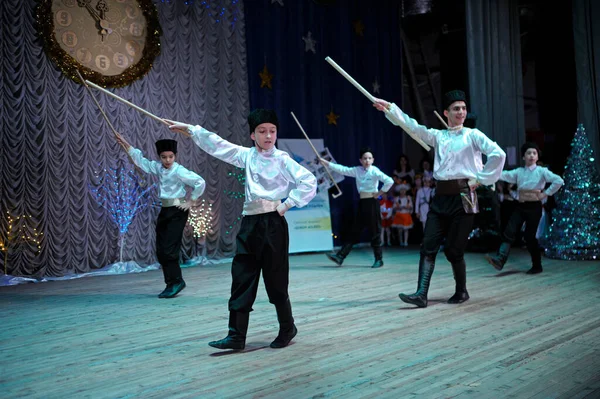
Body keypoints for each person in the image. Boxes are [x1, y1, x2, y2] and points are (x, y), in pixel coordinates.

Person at [166, 109, 317, 350]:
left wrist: (287, 203)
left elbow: (309, 181)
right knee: (242, 276)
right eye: (262, 131)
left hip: (273, 224)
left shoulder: (283, 159)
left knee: (276, 278)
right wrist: (191, 130)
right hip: (249, 223)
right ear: (252, 135)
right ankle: (236, 335)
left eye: (272, 131)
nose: (268, 136)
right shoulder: (246, 156)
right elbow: (219, 145)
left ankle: (287, 328)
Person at [373, 90, 506, 307]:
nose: (461, 112)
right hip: (441, 195)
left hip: (466, 194)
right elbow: (412, 126)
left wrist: (481, 178)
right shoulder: (439, 136)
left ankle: (461, 291)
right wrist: (390, 108)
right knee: (428, 245)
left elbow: (498, 154)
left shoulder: (473, 135)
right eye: (456, 108)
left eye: (463, 108)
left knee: (454, 249)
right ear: (446, 113)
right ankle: (421, 294)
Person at [115, 133, 206, 299]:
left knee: (169, 249)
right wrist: (127, 146)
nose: (168, 160)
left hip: (178, 211)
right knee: (161, 249)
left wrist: (191, 201)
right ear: (160, 157)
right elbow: (141, 162)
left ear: (175, 156)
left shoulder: (179, 170)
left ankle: (176, 282)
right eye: (164, 157)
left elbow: (200, 182)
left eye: (171, 156)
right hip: (165, 210)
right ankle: (171, 282)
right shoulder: (158, 167)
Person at [485, 142, 564, 274]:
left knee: (529, 237)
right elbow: (501, 175)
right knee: (509, 231)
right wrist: (487, 170)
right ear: (523, 157)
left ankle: (537, 265)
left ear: (537, 157)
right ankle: (500, 260)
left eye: (534, 153)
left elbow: (559, 181)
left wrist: (546, 193)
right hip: (521, 206)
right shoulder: (519, 172)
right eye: (528, 153)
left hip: (534, 208)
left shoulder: (542, 171)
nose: (531, 155)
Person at [320, 147, 393, 268]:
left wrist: (380, 193)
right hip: (362, 203)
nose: (367, 160)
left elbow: (389, 181)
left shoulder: (375, 171)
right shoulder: (357, 170)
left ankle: (379, 259)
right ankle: (340, 256)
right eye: (365, 158)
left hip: (372, 202)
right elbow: (343, 170)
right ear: (360, 160)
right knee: (354, 231)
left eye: (369, 158)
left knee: (375, 231)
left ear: (373, 160)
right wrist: (328, 163)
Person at [392, 182, 413, 246]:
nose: (403, 191)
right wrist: (398, 207)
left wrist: (407, 207)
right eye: (401, 190)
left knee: (406, 229)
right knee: (400, 230)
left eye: (404, 190)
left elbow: (411, 206)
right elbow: (394, 207)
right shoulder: (397, 198)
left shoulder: (408, 198)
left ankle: (405, 241)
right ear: (399, 191)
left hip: (406, 214)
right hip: (399, 214)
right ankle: (401, 241)